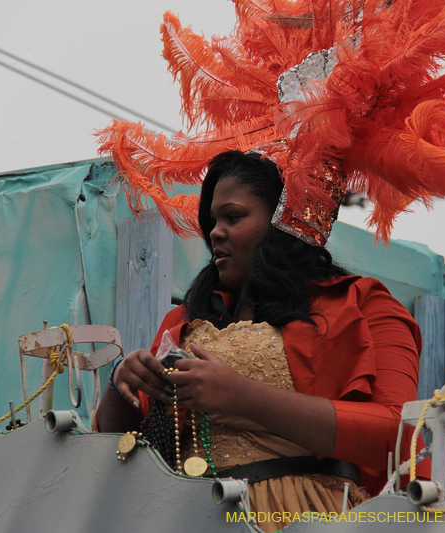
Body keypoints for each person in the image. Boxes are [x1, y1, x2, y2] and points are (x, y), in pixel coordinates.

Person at [96, 150, 425, 533]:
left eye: (233, 217)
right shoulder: (181, 323)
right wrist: (121, 385)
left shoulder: (363, 304)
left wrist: (245, 397)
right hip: (183, 515)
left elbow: (401, 435)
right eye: (212, 221)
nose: (215, 232)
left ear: (285, 221)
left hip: (304, 516)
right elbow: (127, 452)